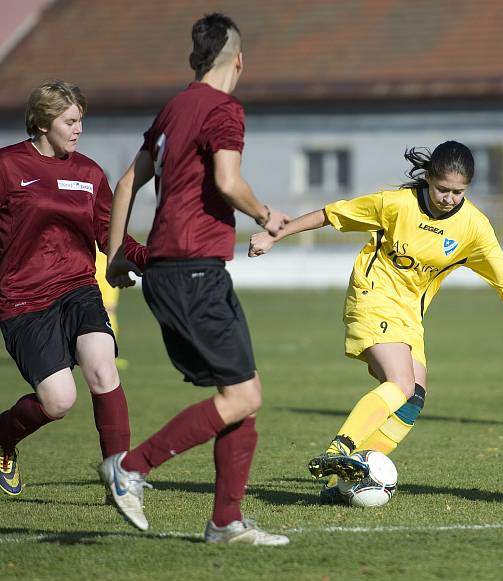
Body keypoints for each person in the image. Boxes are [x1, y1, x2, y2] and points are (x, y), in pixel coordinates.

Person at [249, 140, 503, 503]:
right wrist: (274, 236)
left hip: (409, 316)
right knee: (401, 383)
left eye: (458, 192)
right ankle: (340, 450)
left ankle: (337, 484)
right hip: (372, 298)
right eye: (442, 189)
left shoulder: (474, 226)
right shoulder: (396, 204)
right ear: (428, 178)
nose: (449, 198)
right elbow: (332, 214)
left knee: (413, 399)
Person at [101, 13, 290, 546]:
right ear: (239, 60)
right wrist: (263, 214)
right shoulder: (223, 109)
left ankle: (226, 523)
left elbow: (125, 184)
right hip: (191, 272)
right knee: (243, 396)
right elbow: (228, 182)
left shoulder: (174, 107)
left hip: (183, 271)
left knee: (243, 390)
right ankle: (131, 468)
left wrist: (116, 256)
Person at [0, 81, 146, 497]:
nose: (79, 128)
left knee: (102, 366)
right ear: (43, 123)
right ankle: (2, 440)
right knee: (58, 401)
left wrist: (159, 256)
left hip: (78, 288)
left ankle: (120, 480)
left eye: (81, 119)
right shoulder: (7, 167)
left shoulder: (89, 172)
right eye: (70, 120)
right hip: (22, 300)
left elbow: (111, 236)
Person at [95, 246, 128, 369]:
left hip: (108, 266)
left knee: (110, 309)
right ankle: (105, 356)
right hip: (96, 267)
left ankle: (110, 355)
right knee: (106, 310)